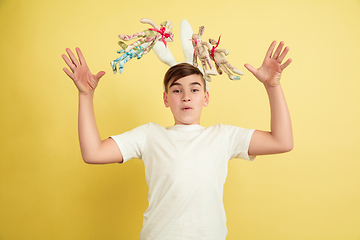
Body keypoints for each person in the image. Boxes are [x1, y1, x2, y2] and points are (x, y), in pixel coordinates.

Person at [62, 40, 293, 240]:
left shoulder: (223, 136)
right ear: (165, 98)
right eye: (176, 90)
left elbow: (282, 142)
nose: (186, 97)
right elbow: (93, 153)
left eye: (194, 90)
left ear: (206, 97)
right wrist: (85, 95)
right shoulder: (150, 135)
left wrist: (273, 86)